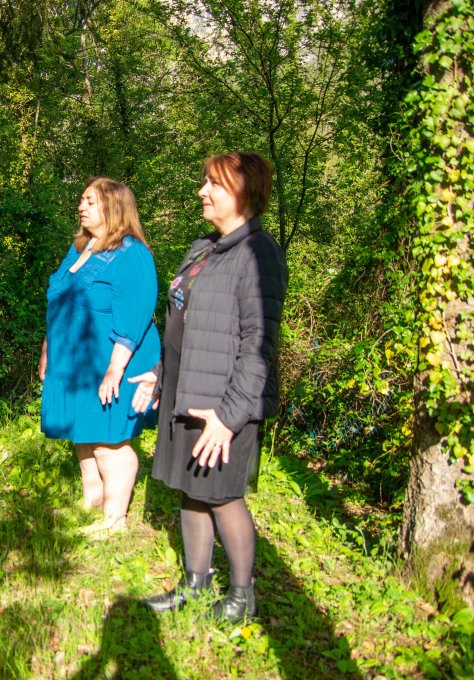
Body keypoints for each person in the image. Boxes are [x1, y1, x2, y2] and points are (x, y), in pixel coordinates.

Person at [132, 152, 287, 621]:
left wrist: (230, 416)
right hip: (188, 391)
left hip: (224, 401)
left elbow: (259, 343)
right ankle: (194, 585)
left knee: (222, 495)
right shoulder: (204, 248)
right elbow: (184, 323)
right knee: (192, 489)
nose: (202, 191)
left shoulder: (258, 253)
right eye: (204, 181)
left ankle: (241, 596)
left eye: (213, 184)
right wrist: (160, 374)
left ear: (243, 192)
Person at [39, 177, 160, 535]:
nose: (81, 207)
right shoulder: (80, 248)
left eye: (90, 201)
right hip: (76, 362)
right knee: (84, 432)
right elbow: (59, 302)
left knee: (109, 441)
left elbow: (135, 318)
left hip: (113, 361)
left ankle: (115, 518)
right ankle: (92, 499)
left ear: (113, 207)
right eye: (82, 200)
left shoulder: (131, 253)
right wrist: (48, 350)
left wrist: (114, 370)